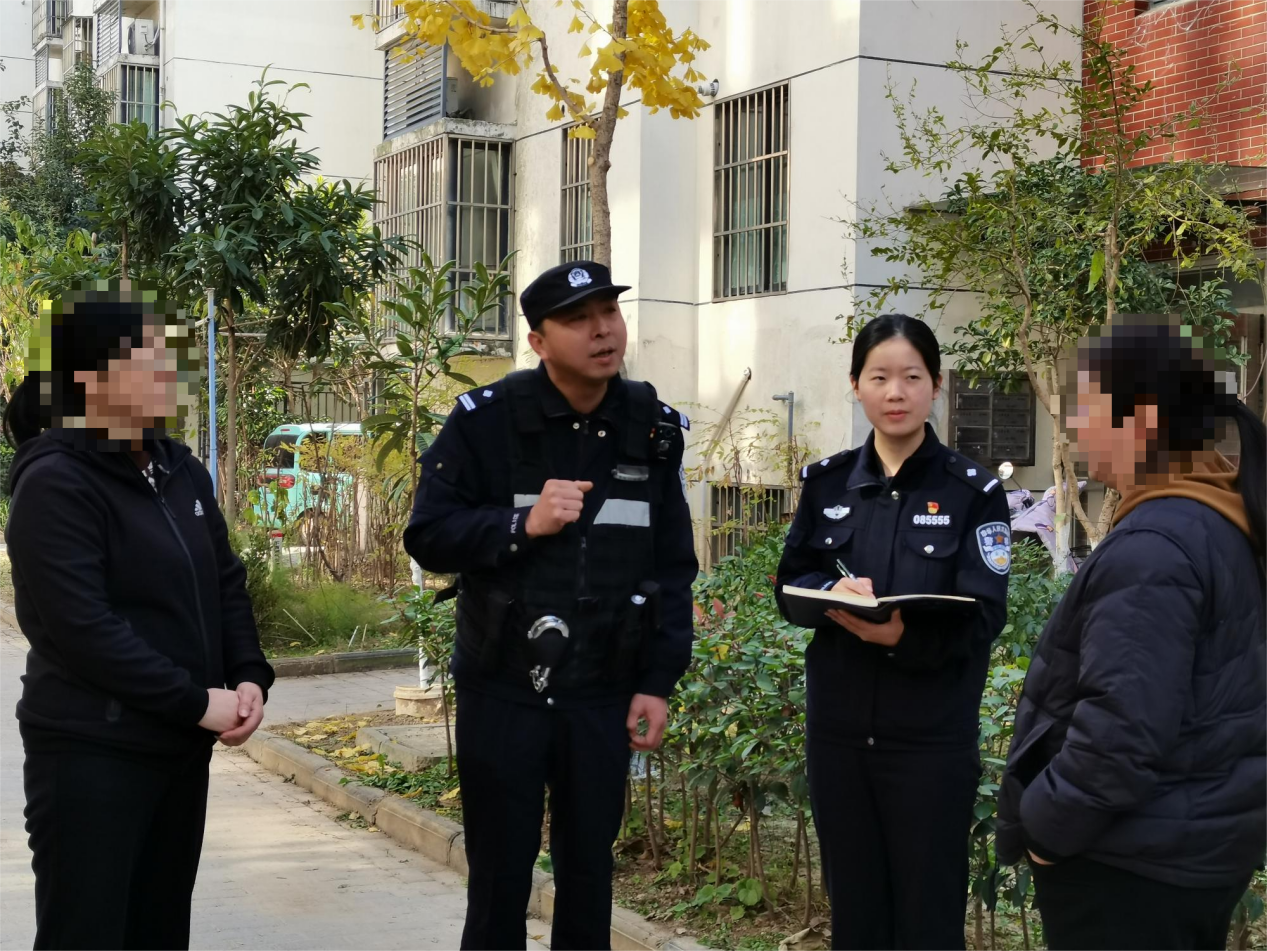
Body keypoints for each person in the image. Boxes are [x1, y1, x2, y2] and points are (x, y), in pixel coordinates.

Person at [403, 260, 698, 951]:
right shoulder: (485, 422)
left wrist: (657, 680)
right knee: (499, 878)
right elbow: (427, 536)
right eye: (577, 319)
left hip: (601, 689)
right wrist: (518, 525)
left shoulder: (650, 427)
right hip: (502, 687)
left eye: (609, 313)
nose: (602, 331)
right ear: (538, 341)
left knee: (589, 873)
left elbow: (673, 566)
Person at [7, 289, 273, 951]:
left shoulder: (176, 467)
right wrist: (194, 702)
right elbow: (84, 630)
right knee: (89, 931)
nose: (168, 375)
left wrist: (247, 675)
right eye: (150, 360)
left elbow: (224, 582)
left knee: (158, 930)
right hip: (92, 752)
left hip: (176, 751)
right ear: (91, 381)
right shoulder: (55, 482)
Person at [996, 315, 1267, 951]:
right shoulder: (1217, 518)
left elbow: (1121, 733)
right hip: (1187, 852)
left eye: (1086, 408)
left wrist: (1046, 830)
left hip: (1130, 869)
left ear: (1139, 419)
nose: (1073, 428)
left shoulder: (1156, 546)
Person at [774, 313, 1011, 950]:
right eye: (879, 377)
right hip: (840, 738)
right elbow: (789, 583)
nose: (895, 392)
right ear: (856, 384)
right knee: (855, 914)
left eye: (911, 376)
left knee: (927, 917)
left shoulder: (973, 492)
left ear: (935, 384)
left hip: (929, 742)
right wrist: (829, 592)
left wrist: (901, 639)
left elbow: (986, 614)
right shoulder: (827, 484)